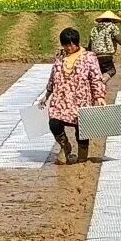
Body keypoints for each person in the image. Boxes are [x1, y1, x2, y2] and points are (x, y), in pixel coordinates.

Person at [40, 28, 105, 165]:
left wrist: (99, 96)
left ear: (77, 43)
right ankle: (65, 146)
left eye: (71, 44)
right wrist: (46, 95)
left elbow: (96, 78)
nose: (69, 48)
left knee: (81, 128)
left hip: (80, 99)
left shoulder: (89, 57)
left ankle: (82, 157)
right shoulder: (60, 57)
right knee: (54, 123)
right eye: (66, 45)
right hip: (61, 99)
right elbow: (53, 77)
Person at [88, 11, 121, 82]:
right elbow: (119, 38)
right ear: (112, 20)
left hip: (95, 55)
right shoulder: (112, 27)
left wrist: (90, 53)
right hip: (106, 54)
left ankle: (101, 87)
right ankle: (103, 81)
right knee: (111, 70)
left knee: (101, 71)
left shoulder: (94, 29)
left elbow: (91, 42)